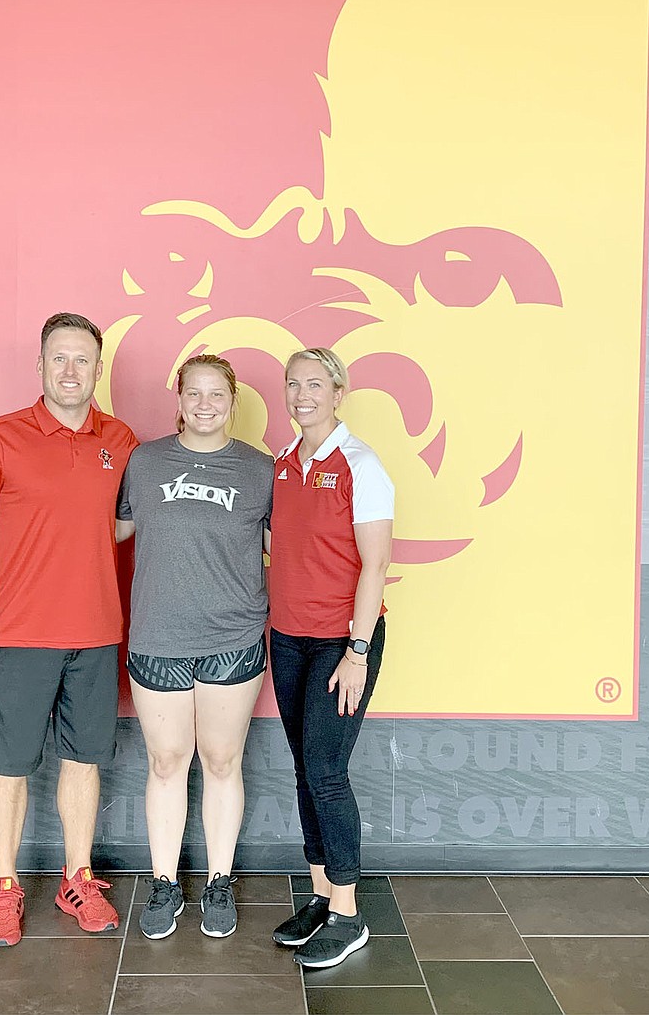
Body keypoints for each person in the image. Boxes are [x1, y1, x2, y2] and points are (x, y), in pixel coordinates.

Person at [0, 312, 138, 947]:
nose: (72, 370)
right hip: (21, 634)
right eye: (60, 358)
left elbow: (126, 521)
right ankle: (4, 888)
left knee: (84, 761)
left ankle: (76, 878)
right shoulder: (1, 438)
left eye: (83, 359)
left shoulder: (122, 439)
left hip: (98, 630)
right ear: (41, 367)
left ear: (98, 369)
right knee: (9, 765)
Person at [115, 354, 272, 940]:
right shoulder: (145, 462)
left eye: (217, 396)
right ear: (178, 401)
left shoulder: (260, 470)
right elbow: (110, 529)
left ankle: (219, 879)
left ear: (233, 404)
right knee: (165, 762)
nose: (205, 405)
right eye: (194, 394)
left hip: (232, 637)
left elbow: (287, 548)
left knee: (222, 760)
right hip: (158, 637)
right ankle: (163, 882)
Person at [267, 347, 394, 969]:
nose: (302, 395)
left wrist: (358, 651)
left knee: (326, 771)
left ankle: (347, 913)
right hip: (287, 639)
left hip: (341, 644)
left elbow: (375, 565)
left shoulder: (360, 465)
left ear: (338, 392)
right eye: (293, 385)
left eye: (315, 384)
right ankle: (321, 896)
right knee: (303, 769)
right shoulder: (284, 463)